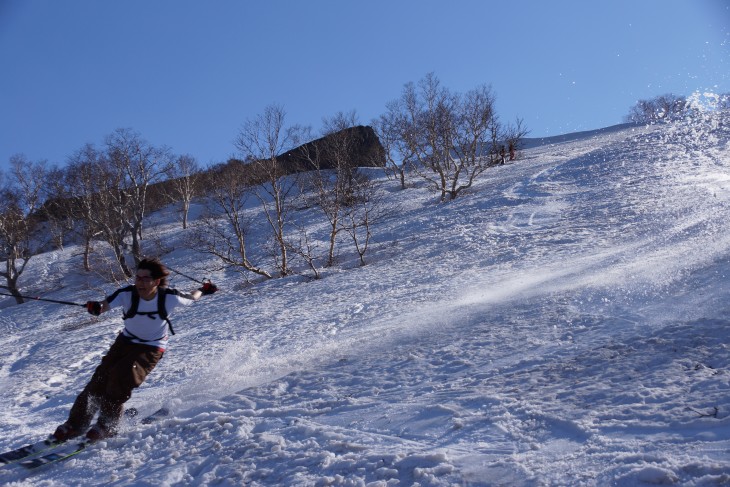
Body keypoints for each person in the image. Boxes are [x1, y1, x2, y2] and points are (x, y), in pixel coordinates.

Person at [52, 258, 217, 442]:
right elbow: (103, 306)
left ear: (156, 281)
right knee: (98, 381)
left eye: (145, 279)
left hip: (152, 347)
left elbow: (192, 297)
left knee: (121, 378)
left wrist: (204, 289)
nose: (140, 282)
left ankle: (108, 425)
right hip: (125, 342)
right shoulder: (126, 294)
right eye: (138, 278)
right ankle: (75, 425)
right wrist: (95, 308)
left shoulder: (169, 297)